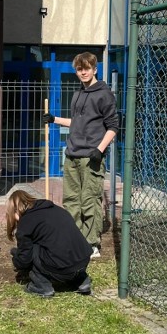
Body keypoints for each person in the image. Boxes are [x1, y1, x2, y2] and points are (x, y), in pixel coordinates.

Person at [42, 52, 119, 258]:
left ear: (95, 69)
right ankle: (73, 240)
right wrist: (54, 118)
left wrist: (99, 150)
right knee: (71, 201)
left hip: (91, 157)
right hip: (72, 155)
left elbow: (113, 127)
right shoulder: (78, 94)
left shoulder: (104, 94)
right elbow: (76, 122)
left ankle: (91, 244)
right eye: (79, 69)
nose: (83, 72)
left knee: (90, 200)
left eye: (87, 68)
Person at [6, 189, 93, 297]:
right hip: (83, 261)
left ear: (15, 211)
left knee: (33, 249)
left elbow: (24, 260)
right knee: (60, 246)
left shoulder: (25, 223)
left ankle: (42, 286)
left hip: (61, 269)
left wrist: (16, 258)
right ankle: (82, 280)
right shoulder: (55, 209)